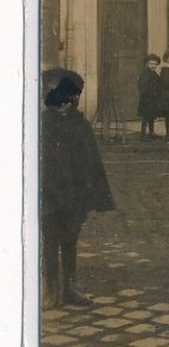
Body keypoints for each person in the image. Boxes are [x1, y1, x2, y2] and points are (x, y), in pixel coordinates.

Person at [41, 70, 115, 308]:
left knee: (70, 240)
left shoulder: (81, 126)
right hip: (49, 194)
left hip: (74, 196)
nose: (63, 104)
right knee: (50, 240)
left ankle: (70, 288)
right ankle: (50, 290)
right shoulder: (41, 125)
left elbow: (92, 163)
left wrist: (94, 196)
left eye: (69, 98)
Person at [137, 52, 162, 140]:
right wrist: (146, 95)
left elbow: (159, 84)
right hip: (146, 99)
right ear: (147, 64)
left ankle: (151, 132)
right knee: (146, 117)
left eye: (155, 64)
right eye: (151, 64)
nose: (153, 66)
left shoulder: (154, 74)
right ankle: (143, 134)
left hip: (153, 99)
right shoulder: (145, 74)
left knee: (152, 116)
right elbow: (142, 86)